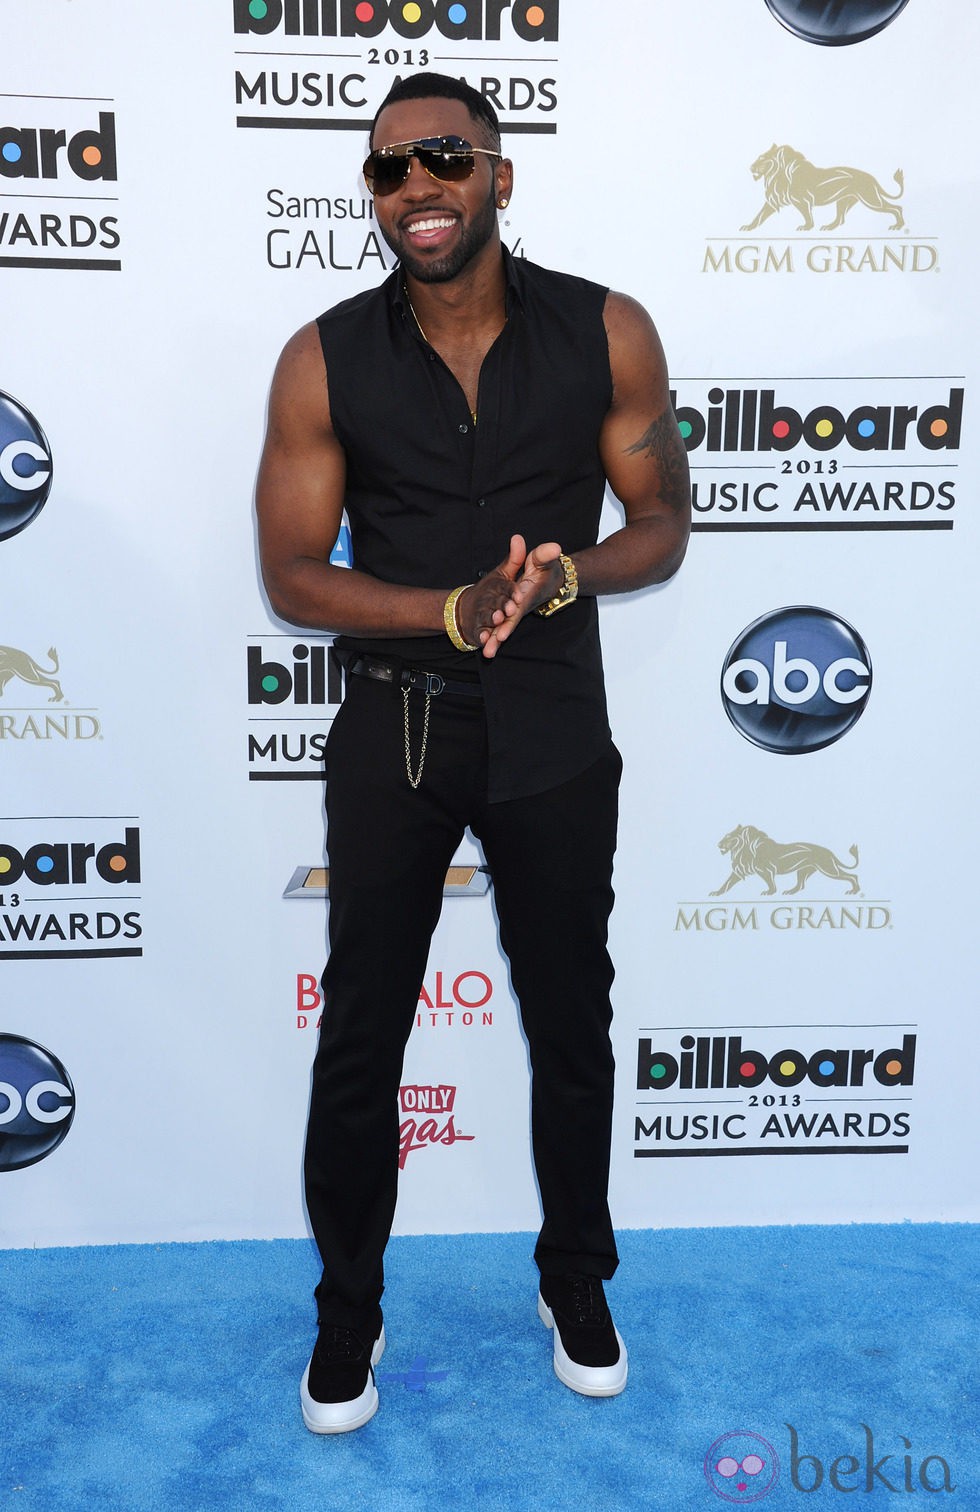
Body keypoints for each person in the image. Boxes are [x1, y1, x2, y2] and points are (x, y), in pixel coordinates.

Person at [256, 71, 691, 1434]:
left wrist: (567, 575)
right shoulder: (322, 357)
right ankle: (349, 1315)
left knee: (572, 1023)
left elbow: (664, 517)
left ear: (501, 175)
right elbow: (291, 577)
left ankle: (576, 1280)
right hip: (395, 726)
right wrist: (443, 611)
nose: (418, 187)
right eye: (389, 169)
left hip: (557, 719)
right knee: (361, 1042)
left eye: (444, 157)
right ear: (375, 199)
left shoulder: (610, 331)